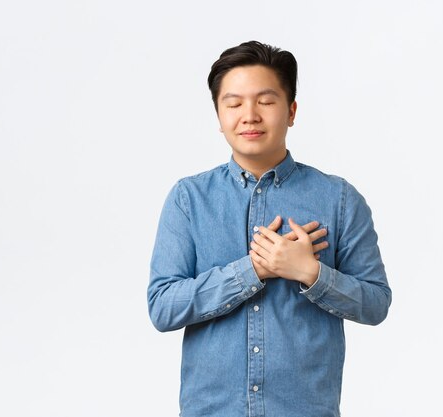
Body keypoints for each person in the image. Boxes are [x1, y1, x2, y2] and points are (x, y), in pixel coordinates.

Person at [147, 40, 391, 417]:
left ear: (291, 111)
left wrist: (310, 273)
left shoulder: (339, 199)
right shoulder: (188, 199)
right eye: (234, 103)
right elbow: (163, 307)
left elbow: (375, 304)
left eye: (265, 101)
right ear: (218, 115)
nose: (250, 115)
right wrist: (253, 270)